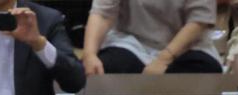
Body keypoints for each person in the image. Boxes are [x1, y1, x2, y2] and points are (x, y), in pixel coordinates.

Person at [82, 0, 222, 76]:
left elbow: (198, 21)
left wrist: (163, 59)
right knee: (104, 67)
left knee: (206, 71)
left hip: (186, 47)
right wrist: (89, 54)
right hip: (132, 42)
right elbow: (102, 13)